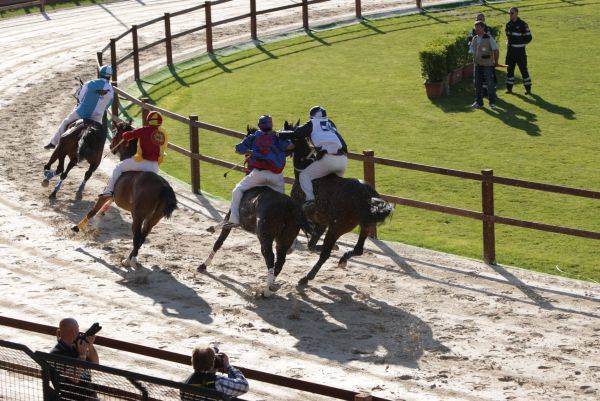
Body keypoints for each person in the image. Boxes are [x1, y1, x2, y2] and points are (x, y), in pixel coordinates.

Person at [223, 115, 292, 229]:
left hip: (258, 176)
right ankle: (286, 226)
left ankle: (234, 220)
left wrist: (250, 151)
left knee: (237, 190)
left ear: (260, 125)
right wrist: (284, 136)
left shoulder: (254, 136)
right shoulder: (278, 137)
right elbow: (290, 146)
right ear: (271, 124)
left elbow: (238, 149)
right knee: (283, 202)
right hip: (276, 177)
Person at [279, 106, 347, 213]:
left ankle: (310, 201)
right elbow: (344, 146)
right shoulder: (330, 123)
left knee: (304, 175)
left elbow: (297, 133)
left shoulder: (312, 124)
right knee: (330, 182)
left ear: (312, 116)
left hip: (329, 160)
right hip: (343, 160)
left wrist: (279, 134)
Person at [98, 111, 168, 202]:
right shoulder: (164, 134)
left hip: (142, 162)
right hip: (154, 167)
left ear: (149, 120)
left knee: (118, 167)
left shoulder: (144, 130)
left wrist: (126, 136)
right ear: (160, 122)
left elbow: (127, 135)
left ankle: (108, 192)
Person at [45, 65, 114, 150]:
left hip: (81, 113)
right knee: (101, 134)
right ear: (110, 76)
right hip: (97, 118)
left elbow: (81, 97)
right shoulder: (111, 90)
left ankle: (53, 143)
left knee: (66, 122)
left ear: (100, 73)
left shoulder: (90, 83)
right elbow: (108, 105)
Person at [49, 318, 99, 400]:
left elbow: (95, 364)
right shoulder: (57, 354)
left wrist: (90, 346)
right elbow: (74, 378)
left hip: (89, 396)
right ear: (73, 331)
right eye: (78, 329)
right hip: (73, 398)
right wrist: (82, 355)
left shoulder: (76, 347)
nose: (79, 333)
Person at [182, 346, 249, 399]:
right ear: (213, 363)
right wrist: (228, 367)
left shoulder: (185, 383)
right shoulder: (219, 383)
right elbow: (244, 386)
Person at [470, 21, 499, 110]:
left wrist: (496, 62)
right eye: (476, 28)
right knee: (477, 84)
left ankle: (492, 103)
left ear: (483, 28)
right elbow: (471, 51)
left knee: (490, 84)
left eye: (478, 28)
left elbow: (496, 50)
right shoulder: (474, 38)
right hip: (477, 65)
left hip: (487, 65)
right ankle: (479, 102)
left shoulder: (489, 38)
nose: (477, 30)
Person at [505, 7, 533, 94]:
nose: (510, 15)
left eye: (512, 13)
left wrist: (520, 43)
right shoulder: (508, 24)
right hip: (510, 51)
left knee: (523, 70)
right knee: (510, 70)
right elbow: (508, 36)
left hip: (520, 52)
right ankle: (509, 89)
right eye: (509, 13)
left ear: (517, 13)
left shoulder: (523, 24)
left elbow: (529, 37)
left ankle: (528, 89)